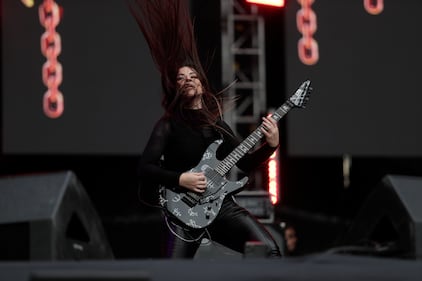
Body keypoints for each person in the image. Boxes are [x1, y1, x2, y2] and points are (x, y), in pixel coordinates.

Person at [131, 0, 282, 258]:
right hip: (183, 213)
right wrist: (181, 178)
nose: (187, 80)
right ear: (176, 88)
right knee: (174, 275)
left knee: (270, 251)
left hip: (219, 206)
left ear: (202, 85)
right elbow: (144, 168)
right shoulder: (169, 125)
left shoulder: (216, 126)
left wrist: (271, 145)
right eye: (181, 78)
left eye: (192, 76)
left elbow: (244, 163)